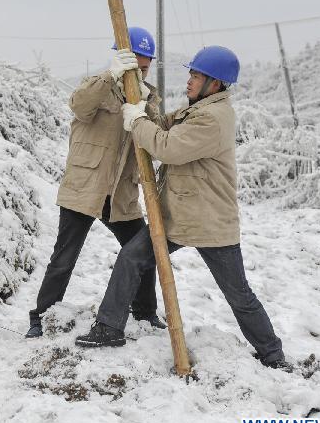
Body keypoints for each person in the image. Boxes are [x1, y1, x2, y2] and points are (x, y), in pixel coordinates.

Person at [73, 45, 292, 371]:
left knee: (238, 295)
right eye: (190, 74)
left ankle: (273, 356)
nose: (189, 81)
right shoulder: (197, 110)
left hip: (208, 222)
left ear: (215, 84)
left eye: (196, 76)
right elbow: (164, 124)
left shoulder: (213, 119)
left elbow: (168, 146)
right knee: (131, 258)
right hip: (178, 215)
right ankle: (109, 327)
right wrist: (142, 104)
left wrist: (137, 123)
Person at [26, 26, 165, 338]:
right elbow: (79, 105)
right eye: (135, 66)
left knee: (143, 252)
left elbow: (155, 142)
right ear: (120, 59)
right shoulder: (98, 86)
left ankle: (145, 313)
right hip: (85, 188)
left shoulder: (148, 97)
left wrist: (144, 109)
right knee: (63, 258)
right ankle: (41, 317)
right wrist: (110, 78)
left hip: (121, 194)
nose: (140, 72)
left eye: (145, 67)